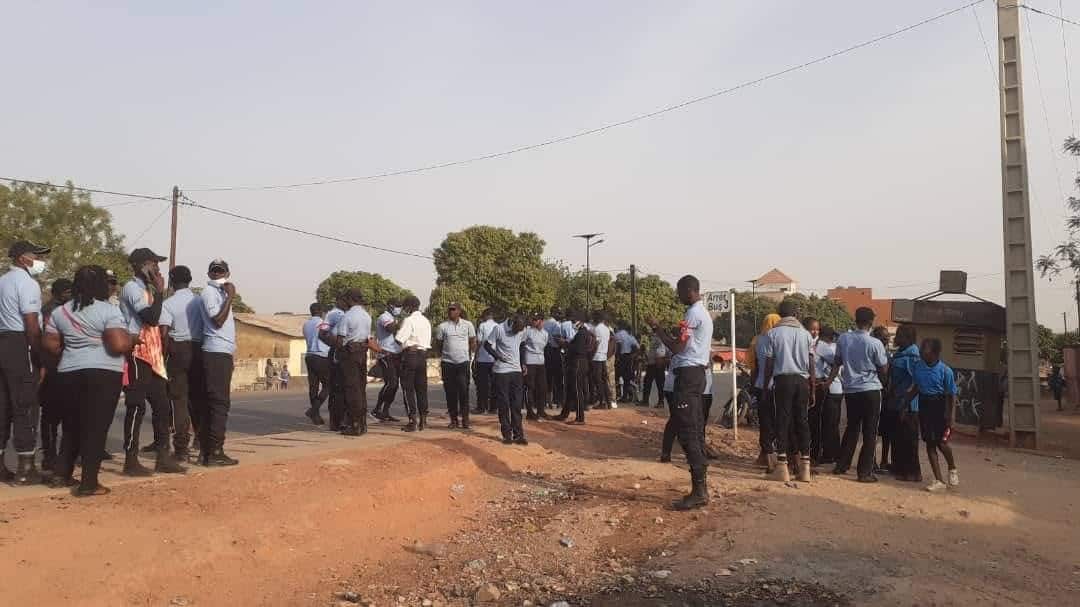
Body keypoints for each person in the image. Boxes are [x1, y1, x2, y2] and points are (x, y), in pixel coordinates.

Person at [42, 265, 131, 496]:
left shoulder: (60, 312)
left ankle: (61, 475)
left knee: (72, 425)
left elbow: (51, 345)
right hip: (103, 373)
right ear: (101, 284)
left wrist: (75, 344)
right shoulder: (108, 310)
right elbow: (118, 345)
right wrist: (131, 340)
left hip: (68, 372)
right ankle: (89, 483)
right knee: (96, 427)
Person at [648, 275, 713, 511]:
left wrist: (657, 328)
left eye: (678, 290)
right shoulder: (700, 313)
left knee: (687, 432)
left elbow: (677, 347)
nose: (677, 295)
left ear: (689, 290)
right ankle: (700, 488)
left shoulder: (693, 315)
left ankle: (699, 491)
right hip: (695, 375)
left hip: (688, 376)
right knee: (693, 430)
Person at [119, 248, 185, 476]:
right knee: (136, 407)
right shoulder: (132, 288)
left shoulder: (146, 289)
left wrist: (156, 292)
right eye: (153, 264)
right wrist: (159, 292)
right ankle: (130, 460)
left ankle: (163, 456)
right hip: (137, 354)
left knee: (163, 407)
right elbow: (150, 317)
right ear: (140, 266)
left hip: (153, 356)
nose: (157, 268)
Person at [0, 241, 50, 484]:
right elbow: (31, 323)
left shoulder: (2, 281)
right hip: (20, 343)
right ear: (22, 258)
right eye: (35, 255)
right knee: (26, 405)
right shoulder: (27, 283)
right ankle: (25, 468)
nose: (40, 260)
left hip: (2, 342)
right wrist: (39, 357)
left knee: (2, 406)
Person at [829, 307, 889, 482]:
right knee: (870, 432)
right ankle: (864, 472)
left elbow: (837, 363)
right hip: (870, 390)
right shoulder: (875, 343)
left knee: (852, 427)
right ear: (871, 323)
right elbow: (883, 367)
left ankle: (842, 464)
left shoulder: (843, 339)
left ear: (856, 320)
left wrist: (827, 382)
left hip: (851, 390)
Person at [762, 301, 814, 482]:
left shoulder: (773, 334)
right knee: (802, 421)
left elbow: (769, 363)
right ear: (796, 314)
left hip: (782, 380)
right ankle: (805, 468)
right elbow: (811, 363)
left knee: (782, 420)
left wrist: (766, 385)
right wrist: (812, 387)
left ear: (779, 314)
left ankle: (782, 467)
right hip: (802, 381)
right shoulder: (806, 334)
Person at [159, 265, 205, 462]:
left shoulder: (168, 304)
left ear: (171, 281)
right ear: (190, 279)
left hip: (178, 350)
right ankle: (202, 443)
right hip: (199, 349)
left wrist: (162, 358)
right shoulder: (199, 301)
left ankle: (181, 448)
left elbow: (163, 334)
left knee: (179, 401)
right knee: (198, 400)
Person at [197, 259, 239, 466]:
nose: (217, 274)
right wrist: (231, 297)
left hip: (222, 351)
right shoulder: (210, 293)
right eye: (214, 271)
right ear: (209, 273)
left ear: (227, 273)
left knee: (215, 402)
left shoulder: (221, 293)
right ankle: (214, 451)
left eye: (220, 271)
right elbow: (217, 320)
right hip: (215, 351)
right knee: (219, 403)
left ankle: (208, 449)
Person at [905, 337, 960, 492]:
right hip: (925, 406)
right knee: (930, 444)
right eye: (921, 349)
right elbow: (916, 387)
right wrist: (905, 405)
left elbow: (951, 395)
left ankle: (952, 468)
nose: (921, 352)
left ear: (935, 353)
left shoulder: (945, 371)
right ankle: (939, 480)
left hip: (939, 407)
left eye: (925, 350)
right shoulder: (918, 367)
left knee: (942, 443)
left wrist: (951, 417)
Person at [39, 278, 72, 473]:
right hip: (53, 365)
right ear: (59, 293)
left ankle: (57, 455)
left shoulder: (63, 309)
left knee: (62, 413)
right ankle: (49, 456)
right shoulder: (52, 310)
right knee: (51, 416)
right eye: (67, 292)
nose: (71, 296)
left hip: (62, 364)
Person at [486, 312, 528, 444]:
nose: (517, 332)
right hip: (501, 371)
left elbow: (522, 346)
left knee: (516, 404)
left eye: (520, 330)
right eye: (516, 329)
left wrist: (523, 363)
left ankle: (519, 435)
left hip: (516, 371)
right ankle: (507, 434)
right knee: (504, 404)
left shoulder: (522, 330)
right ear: (512, 322)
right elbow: (487, 345)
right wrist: (498, 356)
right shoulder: (498, 329)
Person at [334, 288, 371, 436]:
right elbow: (368, 338)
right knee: (361, 389)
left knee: (351, 389)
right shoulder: (367, 316)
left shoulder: (347, 316)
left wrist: (336, 355)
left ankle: (354, 425)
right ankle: (362, 424)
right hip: (362, 352)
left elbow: (340, 339)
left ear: (350, 299)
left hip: (349, 354)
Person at [888, 325, 922, 482]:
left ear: (907, 338)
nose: (896, 338)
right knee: (898, 438)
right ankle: (899, 468)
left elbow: (916, 382)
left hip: (908, 405)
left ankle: (912, 472)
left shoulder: (913, 357)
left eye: (899, 335)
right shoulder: (900, 355)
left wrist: (906, 403)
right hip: (896, 402)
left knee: (909, 440)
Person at [434, 302, 476, 429]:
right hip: (448, 363)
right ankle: (453, 420)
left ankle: (465, 420)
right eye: (449, 309)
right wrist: (444, 355)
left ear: (459, 311)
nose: (451, 311)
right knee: (450, 393)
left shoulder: (468, 325)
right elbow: (439, 344)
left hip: (463, 363)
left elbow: (473, 341)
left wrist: (470, 356)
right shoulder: (442, 327)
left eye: (453, 309)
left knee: (464, 391)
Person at [747, 313, 781, 468]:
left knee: (765, 422)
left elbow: (754, 367)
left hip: (761, 386)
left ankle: (765, 456)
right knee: (777, 422)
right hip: (777, 386)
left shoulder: (757, 340)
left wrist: (753, 386)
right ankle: (773, 458)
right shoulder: (779, 339)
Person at [395, 295, 431, 432]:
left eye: (405, 307)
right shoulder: (426, 321)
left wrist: (397, 332)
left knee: (408, 389)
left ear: (409, 307)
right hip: (423, 356)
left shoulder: (409, 320)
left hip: (410, 355)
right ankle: (423, 420)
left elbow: (399, 339)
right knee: (421, 389)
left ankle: (412, 421)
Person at [813, 326, 843, 465]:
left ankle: (830, 454)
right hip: (837, 388)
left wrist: (828, 381)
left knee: (828, 424)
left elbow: (836, 364)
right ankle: (833, 454)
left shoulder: (822, 347)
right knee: (832, 424)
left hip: (831, 389)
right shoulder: (830, 347)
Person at [556, 309, 592, 424]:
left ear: (580, 321)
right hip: (579, 363)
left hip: (578, 363)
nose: (572, 323)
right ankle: (564, 414)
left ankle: (580, 418)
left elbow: (577, 349)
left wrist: (564, 343)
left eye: (574, 320)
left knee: (576, 390)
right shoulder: (582, 332)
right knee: (571, 389)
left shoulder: (582, 333)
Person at [320, 295, 348, 431]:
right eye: (345, 300)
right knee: (337, 388)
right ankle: (336, 421)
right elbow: (322, 333)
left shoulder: (347, 314)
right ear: (339, 300)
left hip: (347, 353)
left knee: (344, 388)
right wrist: (336, 345)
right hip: (337, 352)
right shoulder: (333, 314)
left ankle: (342, 419)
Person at [372, 299, 403, 422]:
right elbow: (390, 328)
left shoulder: (394, 318)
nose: (399, 309)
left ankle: (385, 411)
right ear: (390, 306)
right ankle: (377, 409)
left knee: (394, 386)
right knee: (391, 383)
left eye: (400, 306)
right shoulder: (384, 317)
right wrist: (405, 324)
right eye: (397, 306)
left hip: (396, 354)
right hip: (386, 354)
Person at [301, 303, 330, 425]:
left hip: (309, 355)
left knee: (313, 386)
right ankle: (314, 410)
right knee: (329, 385)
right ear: (321, 311)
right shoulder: (323, 324)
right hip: (321, 356)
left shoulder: (306, 324)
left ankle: (316, 416)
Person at [523, 313, 549, 420]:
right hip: (530, 360)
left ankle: (541, 410)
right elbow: (522, 345)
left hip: (540, 361)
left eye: (538, 320)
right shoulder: (528, 332)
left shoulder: (545, 333)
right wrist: (523, 362)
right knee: (530, 387)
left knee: (542, 387)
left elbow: (545, 345)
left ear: (542, 321)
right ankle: (530, 411)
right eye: (534, 320)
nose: (535, 322)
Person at [474, 308, 498, 415]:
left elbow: (479, 342)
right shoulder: (498, 326)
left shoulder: (482, 326)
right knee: (494, 384)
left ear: (486, 315)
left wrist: (475, 356)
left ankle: (482, 407)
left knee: (482, 385)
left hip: (482, 359)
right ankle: (493, 408)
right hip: (494, 359)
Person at [589, 311, 613, 409]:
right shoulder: (607, 329)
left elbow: (596, 343)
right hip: (603, 356)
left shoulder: (597, 329)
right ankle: (608, 401)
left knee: (598, 380)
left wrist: (591, 354)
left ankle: (602, 402)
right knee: (604, 379)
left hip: (597, 356)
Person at [613, 322, 640, 403]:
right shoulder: (631, 337)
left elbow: (618, 345)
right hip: (628, 358)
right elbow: (637, 347)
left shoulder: (618, 334)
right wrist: (633, 354)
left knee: (616, 377)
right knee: (626, 379)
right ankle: (624, 397)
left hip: (620, 358)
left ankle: (615, 395)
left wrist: (617, 357)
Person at [543, 308, 564, 409]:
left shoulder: (544, 323)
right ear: (553, 313)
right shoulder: (556, 324)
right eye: (558, 313)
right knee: (558, 378)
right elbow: (557, 338)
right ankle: (559, 401)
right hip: (554, 351)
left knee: (548, 377)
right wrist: (564, 344)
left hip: (545, 351)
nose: (560, 315)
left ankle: (548, 402)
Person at [641, 334, 668, 408]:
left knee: (658, 384)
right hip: (653, 363)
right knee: (648, 383)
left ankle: (660, 402)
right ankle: (646, 401)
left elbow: (660, 352)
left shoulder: (659, 339)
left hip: (656, 364)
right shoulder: (655, 338)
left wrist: (658, 362)